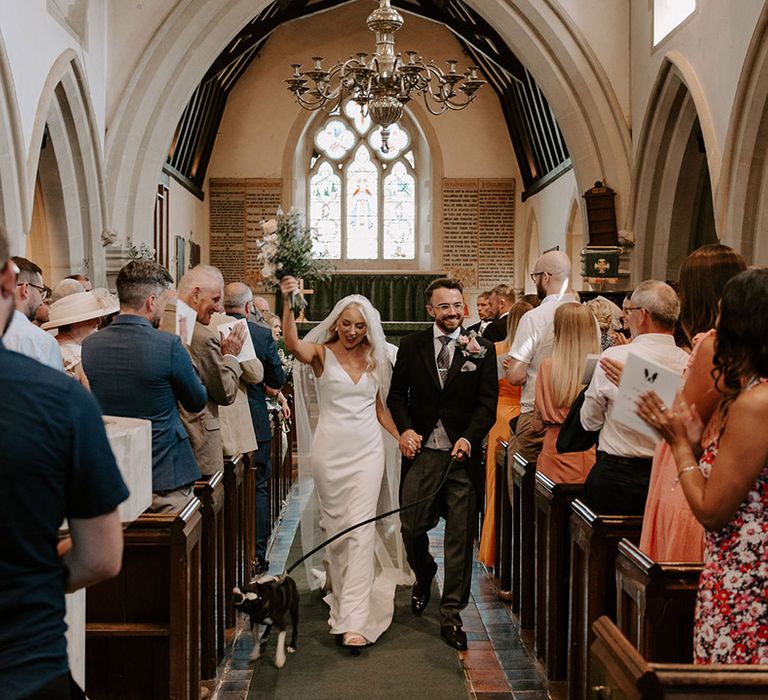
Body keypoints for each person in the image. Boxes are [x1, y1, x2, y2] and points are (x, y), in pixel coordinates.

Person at [0, 224, 129, 699]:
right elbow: (100, 556)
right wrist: (35, 570)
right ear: (11, 282)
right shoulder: (60, 399)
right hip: (24, 665)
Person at [636, 268, 768, 665]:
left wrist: (680, 447)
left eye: (722, 315)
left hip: (746, 575)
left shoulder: (755, 404)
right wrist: (694, 439)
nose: (715, 326)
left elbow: (712, 510)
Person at [281, 275, 410, 648]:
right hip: (330, 452)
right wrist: (288, 301)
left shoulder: (377, 357)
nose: (352, 332)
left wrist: (398, 435)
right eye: (347, 324)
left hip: (367, 449)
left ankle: (353, 619)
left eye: (359, 326)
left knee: (360, 528)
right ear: (336, 322)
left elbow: (380, 408)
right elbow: (291, 344)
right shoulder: (321, 354)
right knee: (335, 528)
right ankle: (339, 584)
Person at [603, 244, 745, 561]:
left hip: (687, 466)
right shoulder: (739, 347)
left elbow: (686, 418)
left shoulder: (710, 345)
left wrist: (637, 381)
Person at [388, 277, 497, 652]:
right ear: (430, 310)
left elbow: (487, 404)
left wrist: (470, 436)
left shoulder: (481, 348)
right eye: (444, 306)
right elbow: (396, 395)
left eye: (457, 305)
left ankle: (452, 615)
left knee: (458, 540)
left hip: (461, 460)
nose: (452, 312)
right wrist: (404, 430)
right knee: (411, 526)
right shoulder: (412, 345)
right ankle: (424, 572)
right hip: (423, 454)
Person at [83, 260, 208, 512]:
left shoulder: (90, 345)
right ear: (151, 301)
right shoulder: (169, 345)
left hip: (114, 470)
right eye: (164, 302)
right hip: (164, 473)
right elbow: (196, 401)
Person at [580, 280, 688, 515]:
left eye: (628, 312)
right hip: (670, 477)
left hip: (617, 476)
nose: (625, 318)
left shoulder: (616, 357)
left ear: (643, 314)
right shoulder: (688, 363)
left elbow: (589, 421)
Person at [224, 282, 286, 575]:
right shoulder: (260, 334)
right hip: (252, 419)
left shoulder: (206, 329)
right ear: (249, 307)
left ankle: (223, 553)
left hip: (219, 424)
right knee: (257, 486)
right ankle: (256, 555)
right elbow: (277, 377)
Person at [163, 265, 248, 477]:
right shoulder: (200, 336)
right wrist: (231, 356)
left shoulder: (163, 320)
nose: (220, 308)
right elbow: (226, 392)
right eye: (215, 299)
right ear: (196, 295)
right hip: (197, 440)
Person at [505, 250, 579, 463]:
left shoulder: (534, 318)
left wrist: (512, 367)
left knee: (521, 483)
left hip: (538, 414)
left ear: (545, 277)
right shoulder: (588, 316)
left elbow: (516, 377)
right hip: (574, 417)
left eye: (535, 277)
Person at [478, 301, 532, 567]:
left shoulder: (497, 350)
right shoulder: (533, 355)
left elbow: (486, 389)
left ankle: (492, 548)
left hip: (498, 417)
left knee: (494, 486)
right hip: (522, 417)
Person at [535, 303, 599, 482]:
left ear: (559, 330)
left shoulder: (547, 367)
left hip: (554, 452)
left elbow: (537, 424)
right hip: (589, 450)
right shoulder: (599, 367)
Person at [43, 289, 120, 387]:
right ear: (77, 322)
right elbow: (92, 396)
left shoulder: (47, 346)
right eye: (93, 317)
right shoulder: (79, 356)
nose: (98, 321)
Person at [2, 256, 64, 370]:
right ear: (25, 289)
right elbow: (54, 387)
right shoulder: (42, 342)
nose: (41, 301)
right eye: (40, 291)